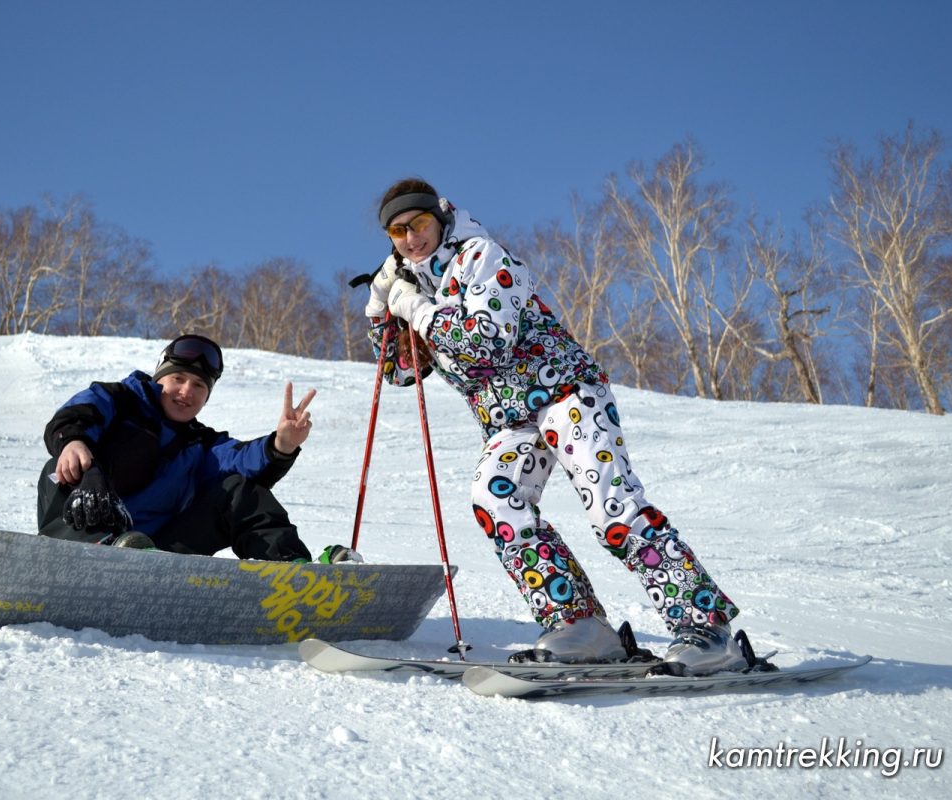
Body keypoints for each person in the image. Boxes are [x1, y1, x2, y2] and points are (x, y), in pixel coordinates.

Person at [363, 178, 745, 675]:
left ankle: (707, 629)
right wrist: (379, 309)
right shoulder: (416, 285)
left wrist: (415, 309)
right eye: (398, 230)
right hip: (507, 417)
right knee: (495, 498)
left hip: (564, 391)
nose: (411, 238)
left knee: (613, 509)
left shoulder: (480, 255)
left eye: (419, 224)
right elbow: (401, 371)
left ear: (439, 218)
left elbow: (488, 342)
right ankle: (579, 624)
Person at [37, 333, 347, 564]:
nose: (187, 391)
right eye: (178, 378)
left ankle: (291, 573)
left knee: (237, 490)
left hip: (159, 555)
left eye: (199, 386)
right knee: (60, 466)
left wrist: (283, 444)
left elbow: (242, 461)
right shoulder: (121, 400)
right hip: (85, 540)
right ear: (160, 379)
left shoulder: (201, 444)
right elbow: (78, 415)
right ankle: (91, 547)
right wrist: (74, 443)